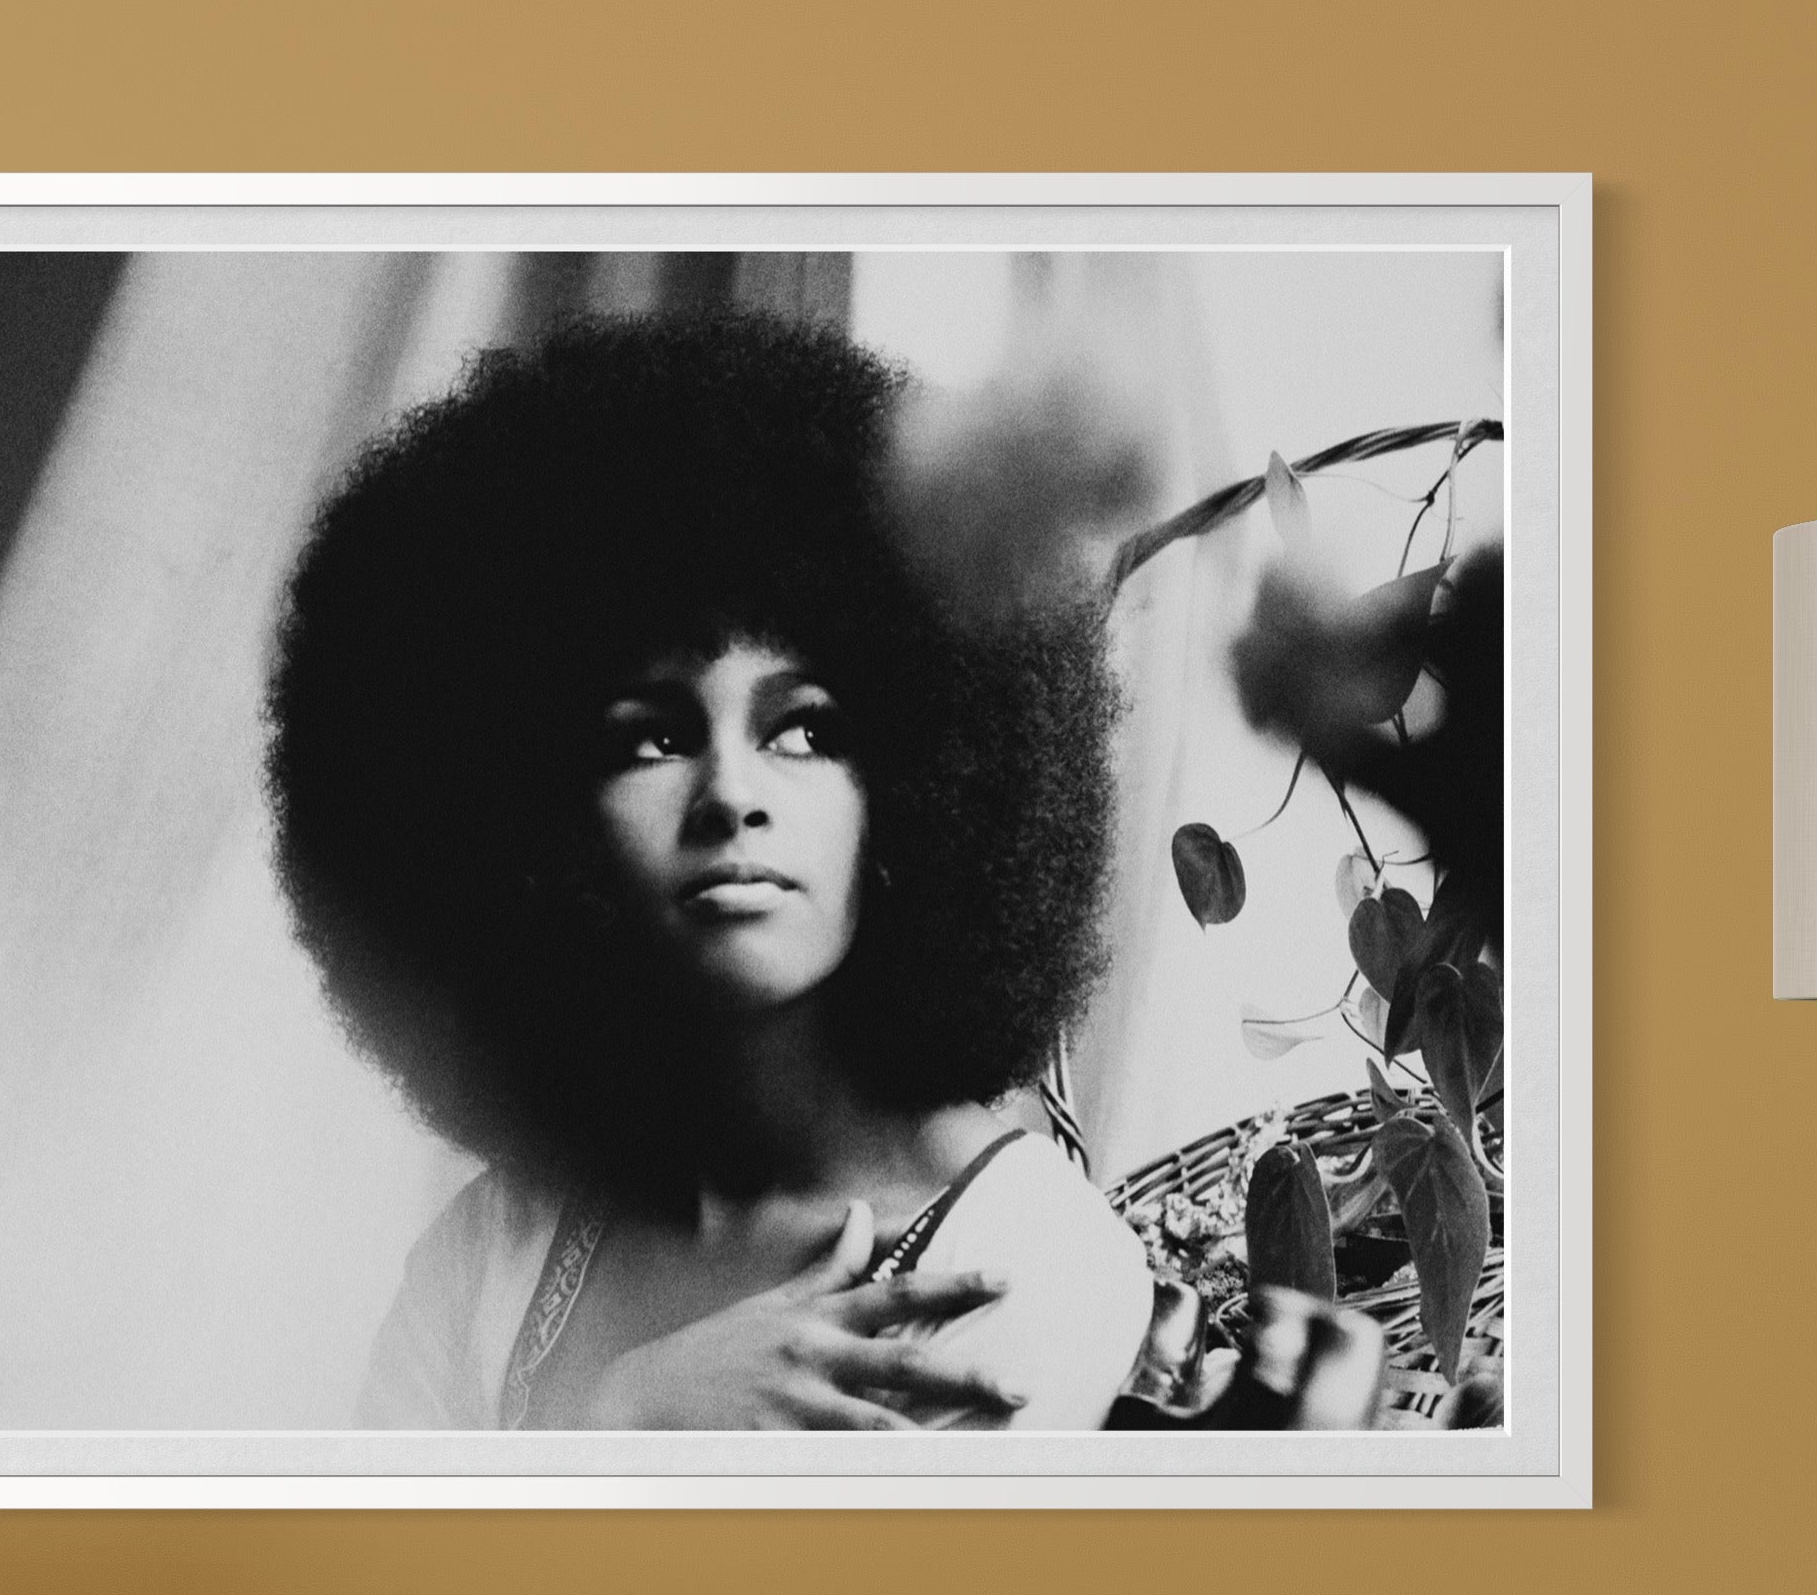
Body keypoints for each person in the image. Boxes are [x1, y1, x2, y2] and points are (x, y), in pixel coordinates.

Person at [266, 308, 1157, 1433]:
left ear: (921, 792)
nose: (733, 793)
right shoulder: (493, 1251)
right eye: (653, 738)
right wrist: (624, 1415)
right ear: (544, 824)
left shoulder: (1025, 1260)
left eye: (805, 732)